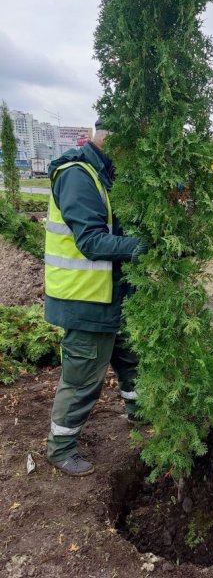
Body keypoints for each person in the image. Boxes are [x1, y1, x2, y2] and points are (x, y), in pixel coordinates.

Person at [45, 118, 148, 477]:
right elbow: (90, 241)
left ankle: (140, 415)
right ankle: (60, 448)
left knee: (132, 360)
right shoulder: (78, 174)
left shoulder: (107, 174)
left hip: (115, 296)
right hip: (85, 301)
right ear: (111, 141)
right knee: (83, 378)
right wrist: (149, 248)